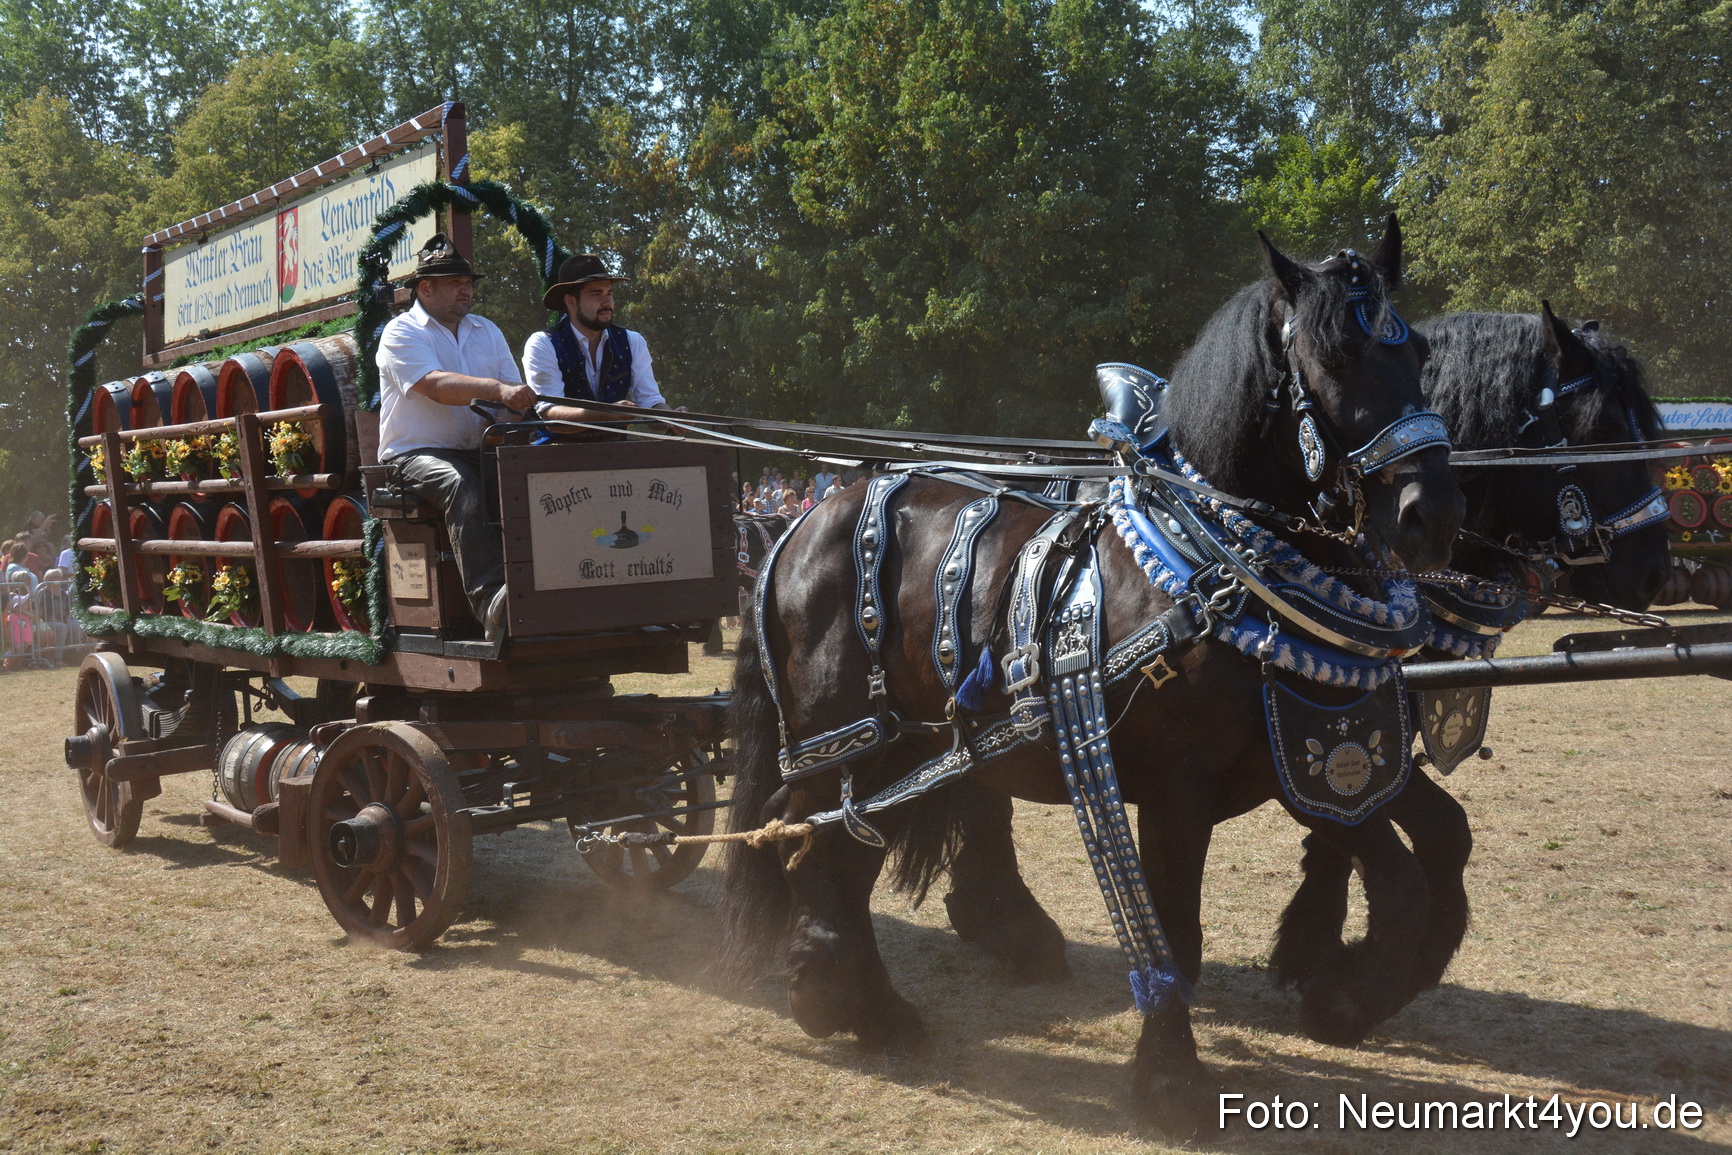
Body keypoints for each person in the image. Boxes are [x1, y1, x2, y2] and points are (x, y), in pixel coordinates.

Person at [521, 253, 676, 419]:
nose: (607, 302)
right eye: (596, 294)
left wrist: (671, 419)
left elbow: (650, 403)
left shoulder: (632, 341)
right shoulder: (543, 344)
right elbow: (550, 412)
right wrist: (606, 413)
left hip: (615, 445)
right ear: (571, 301)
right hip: (558, 444)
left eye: (609, 293)